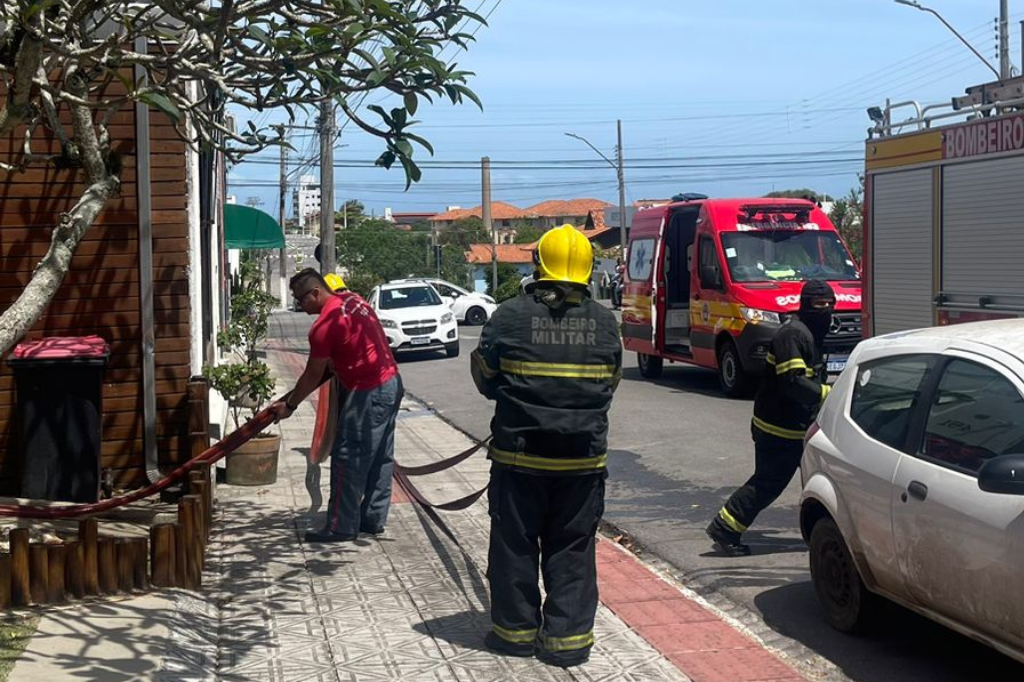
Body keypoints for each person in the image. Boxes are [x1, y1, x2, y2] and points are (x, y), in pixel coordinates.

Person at [471, 224, 622, 668]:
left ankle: (514, 635)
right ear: (589, 269)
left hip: (520, 461)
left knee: (514, 547)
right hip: (582, 464)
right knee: (572, 549)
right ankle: (568, 644)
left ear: (539, 267)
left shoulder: (508, 316)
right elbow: (608, 386)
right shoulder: (604, 323)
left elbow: (487, 379)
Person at [271, 268, 403, 542]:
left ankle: (341, 526)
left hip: (368, 392)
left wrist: (290, 405)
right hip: (391, 383)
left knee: (348, 457)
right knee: (380, 456)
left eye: (301, 300)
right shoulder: (355, 301)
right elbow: (347, 349)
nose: (301, 307)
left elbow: (312, 374)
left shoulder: (324, 325)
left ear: (316, 293)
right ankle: (372, 519)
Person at [706, 279, 835, 557]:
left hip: (796, 425)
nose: (825, 310)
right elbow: (793, 382)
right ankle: (725, 528)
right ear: (806, 304)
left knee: (822, 480)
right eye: (819, 305)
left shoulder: (808, 333)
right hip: (778, 427)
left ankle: (828, 536)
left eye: (829, 305)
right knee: (768, 482)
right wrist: (828, 393)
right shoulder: (792, 336)